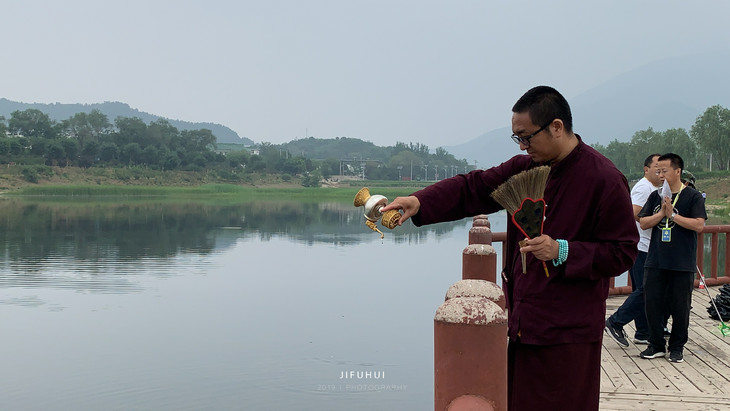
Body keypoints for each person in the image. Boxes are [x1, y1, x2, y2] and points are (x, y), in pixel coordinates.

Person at [381, 86, 638, 411]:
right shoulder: (525, 169)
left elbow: (623, 251)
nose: (522, 146)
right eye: (517, 138)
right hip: (523, 325)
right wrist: (420, 202)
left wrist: (562, 251)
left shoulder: (604, 179)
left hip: (569, 334)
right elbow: (472, 188)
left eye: (527, 137)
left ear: (557, 127)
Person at [638, 153, 706, 363]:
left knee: (680, 307)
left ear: (677, 171)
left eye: (664, 171)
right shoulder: (655, 196)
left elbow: (699, 225)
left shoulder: (692, 196)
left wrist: (673, 215)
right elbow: (643, 222)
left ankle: (677, 347)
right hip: (656, 260)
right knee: (652, 304)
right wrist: (661, 214)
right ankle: (656, 344)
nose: (661, 175)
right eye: (658, 171)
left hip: (681, 262)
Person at [605, 154, 662, 347]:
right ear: (646, 169)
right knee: (647, 289)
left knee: (644, 290)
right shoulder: (643, 187)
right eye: (656, 167)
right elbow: (635, 213)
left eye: (662, 168)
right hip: (641, 246)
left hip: (649, 246)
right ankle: (615, 322)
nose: (660, 171)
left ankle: (643, 332)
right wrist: (658, 217)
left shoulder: (655, 188)